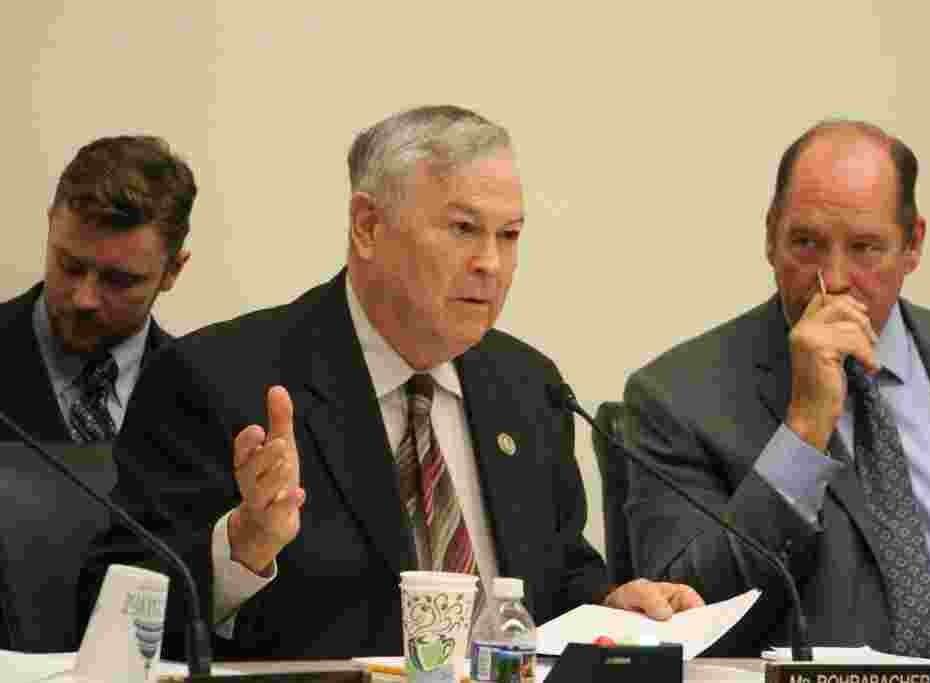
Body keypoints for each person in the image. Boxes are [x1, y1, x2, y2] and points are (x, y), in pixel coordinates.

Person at [82, 105, 703, 660]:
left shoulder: (530, 387)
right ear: (367, 226)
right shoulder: (218, 380)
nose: (491, 262)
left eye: (509, 235)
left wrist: (613, 608)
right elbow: (112, 618)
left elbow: (558, 574)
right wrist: (240, 549)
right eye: (463, 229)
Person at [624, 120, 930, 657]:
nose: (833, 279)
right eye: (807, 244)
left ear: (913, 245)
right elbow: (684, 623)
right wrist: (804, 430)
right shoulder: (676, 398)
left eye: (866, 248)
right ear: (770, 236)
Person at [0, 135, 195, 443]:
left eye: (118, 280)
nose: (83, 299)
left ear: (172, 271)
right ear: (51, 225)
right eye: (69, 266)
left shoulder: (203, 396)